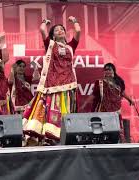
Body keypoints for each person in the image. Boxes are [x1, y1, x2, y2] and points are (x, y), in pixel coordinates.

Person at [23, 16, 81, 145]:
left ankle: (65, 137)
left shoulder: (71, 46)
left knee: (65, 112)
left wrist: (74, 21)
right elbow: (42, 30)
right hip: (52, 86)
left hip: (68, 86)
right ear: (53, 36)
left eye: (62, 29)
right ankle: (48, 138)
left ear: (65, 33)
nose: (60, 31)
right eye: (56, 30)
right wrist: (45, 22)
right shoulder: (50, 44)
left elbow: (78, 31)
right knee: (50, 111)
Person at [80, 63, 133, 142]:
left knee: (117, 128)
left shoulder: (119, 82)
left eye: (109, 70)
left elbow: (122, 92)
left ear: (113, 71)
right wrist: (84, 104)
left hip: (116, 109)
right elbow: (94, 95)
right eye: (106, 70)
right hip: (103, 109)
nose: (107, 72)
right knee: (102, 128)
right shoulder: (100, 83)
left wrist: (129, 99)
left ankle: (119, 143)